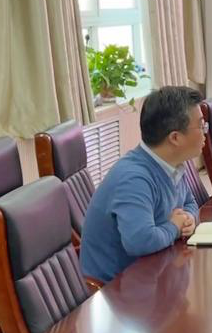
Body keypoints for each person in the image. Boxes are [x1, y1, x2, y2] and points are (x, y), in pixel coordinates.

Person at [80, 86, 204, 283]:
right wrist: (174, 226)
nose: (205, 132)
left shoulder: (172, 164)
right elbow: (141, 241)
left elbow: (190, 202)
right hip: (117, 290)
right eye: (201, 126)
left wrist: (188, 218)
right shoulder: (134, 179)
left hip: (154, 272)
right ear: (175, 138)